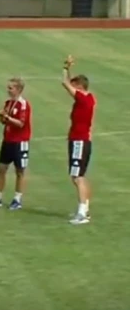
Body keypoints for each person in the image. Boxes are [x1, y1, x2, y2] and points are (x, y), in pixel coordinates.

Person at [0, 77, 32, 210]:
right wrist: (2, 117)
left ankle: (17, 199)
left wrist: (6, 117)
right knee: (1, 169)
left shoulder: (23, 105)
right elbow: (4, 122)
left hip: (20, 142)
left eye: (11, 88)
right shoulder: (8, 103)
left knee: (19, 171)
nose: (8, 90)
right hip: (7, 140)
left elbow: (21, 124)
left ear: (18, 89)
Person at [61, 55, 96, 225]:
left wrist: (66, 68)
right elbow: (69, 85)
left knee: (77, 177)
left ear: (80, 87)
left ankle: (82, 213)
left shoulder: (83, 98)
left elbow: (65, 84)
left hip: (79, 141)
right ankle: (85, 209)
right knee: (80, 175)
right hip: (83, 141)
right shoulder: (88, 98)